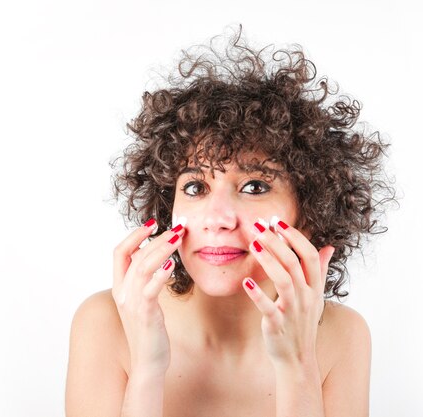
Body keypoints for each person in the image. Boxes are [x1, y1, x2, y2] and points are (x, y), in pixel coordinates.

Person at [65, 27, 395, 417]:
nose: (217, 219)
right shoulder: (106, 322)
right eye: (195, 187)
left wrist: (297, 366)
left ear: (309, 211)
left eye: (254, 186)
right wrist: (147, 370)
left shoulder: (341, 336)